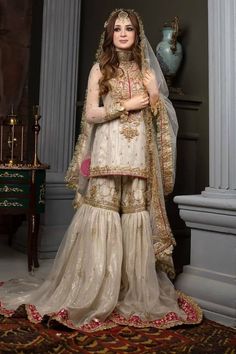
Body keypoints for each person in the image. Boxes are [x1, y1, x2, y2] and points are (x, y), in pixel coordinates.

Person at [0, 9, 202, 332]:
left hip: (137, 158)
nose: (123, 33)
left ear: (137, 34)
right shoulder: (99, 70)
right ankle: (95, 288)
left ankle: (131, 290)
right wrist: (125, 105)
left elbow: (158, 112)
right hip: (107, 153)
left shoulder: (147, 70)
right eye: (117, 29)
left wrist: (151, 94)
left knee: (135, 217)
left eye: (129, 29)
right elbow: (91, 114)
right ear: (109, 34)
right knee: (103, 214)